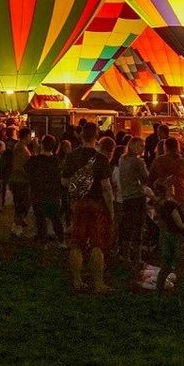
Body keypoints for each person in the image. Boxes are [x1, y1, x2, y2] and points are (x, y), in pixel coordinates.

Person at [61, 126, 115, 293]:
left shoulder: (72, 157)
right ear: (97, 136)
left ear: (80, 135)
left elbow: (64, 181)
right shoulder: (101, 159)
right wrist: (111, 210)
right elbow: (106, 187)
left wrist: (77, 186)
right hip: (97, 204)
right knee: (97, 244)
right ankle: (98, 283)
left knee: (76, 243)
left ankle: (77, 281)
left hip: (78, 204)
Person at [26, 134, 65, 245]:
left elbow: (28, 174)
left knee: (40, 219)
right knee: (55, 218)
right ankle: (61, 241)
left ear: (42, 145)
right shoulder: (56, 161)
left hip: (38, 194)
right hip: (53, 194)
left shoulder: (34, 160)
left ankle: (44, 242)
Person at [154, 176, 184, 297]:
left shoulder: (158, 204)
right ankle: (181, 292)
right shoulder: (171, 205)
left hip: (164, 236)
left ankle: (159, 289)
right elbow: (179, 224)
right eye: (171, 185)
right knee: (180, 266)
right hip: (177, 237)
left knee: (165, 265)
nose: (174, 187)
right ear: (167, 189)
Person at [116, 136, 148, 266]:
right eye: (141, 146)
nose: (143, 149)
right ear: (136, 146)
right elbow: (145, 178)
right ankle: (137, 257)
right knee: (139, 226)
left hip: (126, 196)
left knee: (127, 225)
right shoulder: (137, 162)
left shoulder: (122, 159)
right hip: (137, 195)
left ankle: (125, 255)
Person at [7, 128, 34, 237]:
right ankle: (17, 227)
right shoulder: (20, 148)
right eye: (30, 136)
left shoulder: (22, 147)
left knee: (22, 204)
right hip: (20, 181)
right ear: (26, 136)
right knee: (22, 204)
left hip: (20, 180)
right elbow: (19, 165)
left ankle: (17, 225)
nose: (31, 139)